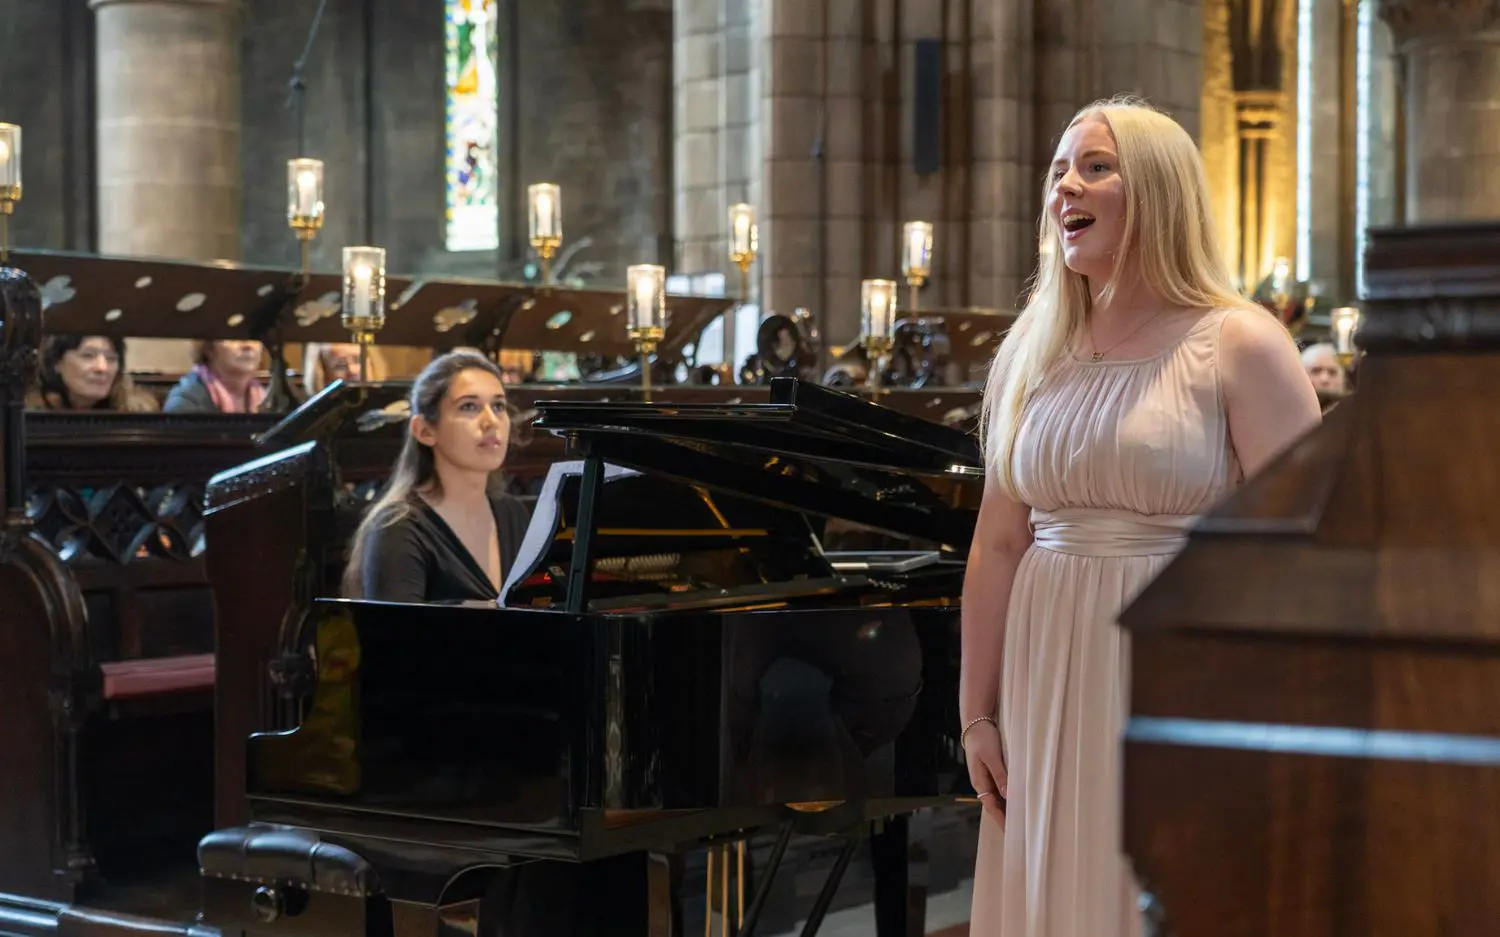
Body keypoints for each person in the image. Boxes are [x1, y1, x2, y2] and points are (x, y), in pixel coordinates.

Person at [960, 96, 1321, 937]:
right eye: (1059, 170)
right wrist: (977, 713)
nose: (1065, 187)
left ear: (1158, 192)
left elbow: (1307, 548)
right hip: (1045, 672)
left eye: (1096, 167)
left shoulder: (1239, 342)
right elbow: (999, 543)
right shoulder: (1035, 351)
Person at [342, 350, 529, 603]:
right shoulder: (397, 529)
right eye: (469, 406)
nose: (491, 421)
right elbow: (391, 629)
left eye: (498, 406)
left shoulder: (513, 514)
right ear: (425, 431)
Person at [28, 334, 159, 412]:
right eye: (88, 356)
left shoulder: (137, 412)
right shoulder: (29, 412)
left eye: (111, 358)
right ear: (56, 363)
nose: (102, 368)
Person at [163, 340, 269, 413]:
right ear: (209, 348)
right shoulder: (185, 403)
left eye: (254, 337)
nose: (248, 345)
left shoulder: (268, 399)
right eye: (233, 336)